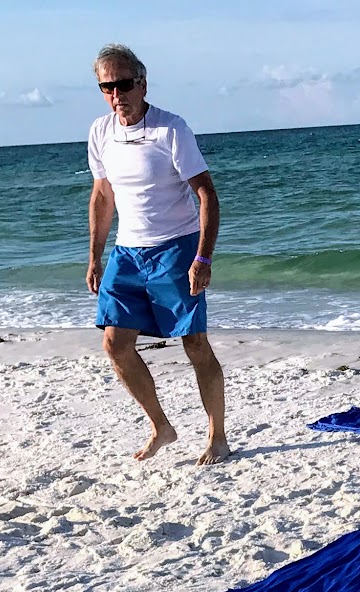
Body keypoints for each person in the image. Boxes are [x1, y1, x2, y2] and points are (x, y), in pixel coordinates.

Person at [85, 44, 230, 464]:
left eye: (125, 84)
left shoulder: (171, 128)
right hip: (127, 253)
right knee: (114, 344)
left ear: (143, 84)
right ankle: (161, 427)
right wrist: (95, 256)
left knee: (195, 344)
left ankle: (217, 436)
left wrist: (202, 258)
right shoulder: (100, 132)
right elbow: (102, 196)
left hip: (177, 248)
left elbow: (206, 193)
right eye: (107, 87)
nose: (118, 94)